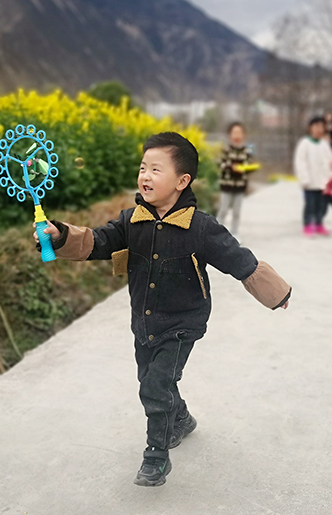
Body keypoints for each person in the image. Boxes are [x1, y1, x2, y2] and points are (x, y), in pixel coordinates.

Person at [32, 132, 291, 487]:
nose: (146, 176)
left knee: (155, 387)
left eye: (156, 169)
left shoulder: (201, 228)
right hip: (144, 322)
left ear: (182, 181)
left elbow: (239, 260)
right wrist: (60, 236)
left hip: (183, 323)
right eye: (143, 168)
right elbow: (97, 242)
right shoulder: (131, 220)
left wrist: (276, 293)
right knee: (152, 381)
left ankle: (156, 456)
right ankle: (180, 418)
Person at [293, 116, 332, 237]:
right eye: (316, 126)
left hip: (323, 182)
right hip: (310, 182)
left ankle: (319, 223)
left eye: (321, 127)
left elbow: (330, 162)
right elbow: (300, 162)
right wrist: (304, 178)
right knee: (310, 205)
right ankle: (308, 225)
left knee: (322, 205)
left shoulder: (324, 145)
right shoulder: (304, 143)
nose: (318, 129)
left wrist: (330, 177)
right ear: (310, 128)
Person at [216, 121, 253, 237]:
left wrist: (244, 169)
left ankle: (234, 233)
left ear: (244, 135)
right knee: (223, 210)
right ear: (229, 135)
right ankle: (216, 234)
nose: (237, 135)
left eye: (239, 133)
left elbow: (250, 166)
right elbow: (220, 164)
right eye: (234, 133)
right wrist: (231, 167)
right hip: (226, 185)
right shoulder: (226, 150)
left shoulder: (247, 151)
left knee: (236, 212)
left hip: (240, 186)